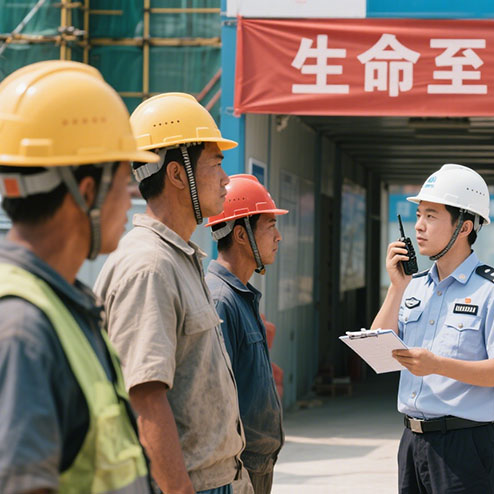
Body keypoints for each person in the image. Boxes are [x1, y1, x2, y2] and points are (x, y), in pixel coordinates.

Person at [0, 61, 157, 493]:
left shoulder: (66, 305)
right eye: (125, 181)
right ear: (86, 192)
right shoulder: (22, 329)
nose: (131, 200)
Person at [93, 93, 245, 494]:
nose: (226, 178)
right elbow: (145, 400)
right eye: (216, 164)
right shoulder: (150, 267)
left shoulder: (179, 259)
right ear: (179, 175)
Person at [371, 163, 494, 494]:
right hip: (412, 444)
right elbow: (378, 355)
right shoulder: (414, 286)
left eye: (431, 216)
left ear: (465, 226)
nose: (418, 227)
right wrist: (396, 288)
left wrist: (438, 366)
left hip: (466, 447)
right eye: (418, 216)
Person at [205, 175, 287, 494]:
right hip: (238, 469)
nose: (278, 237)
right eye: (270, 226)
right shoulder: (220, 301)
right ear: (241, 234)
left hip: (256, 465)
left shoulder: (241, 296)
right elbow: (215, 401)